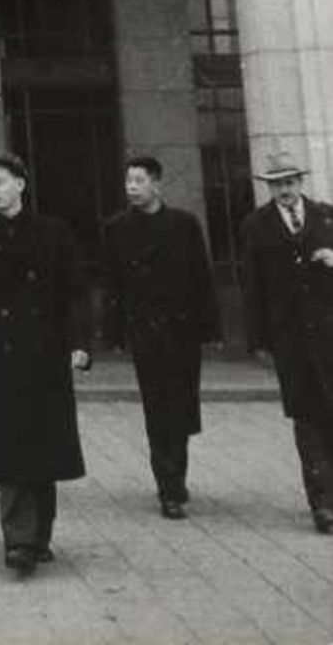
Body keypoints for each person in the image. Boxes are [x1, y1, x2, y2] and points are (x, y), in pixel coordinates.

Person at [0, 152, 91, 577]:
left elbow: (74, 292)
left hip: (45, 355)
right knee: (9, 448)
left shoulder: (54, 233)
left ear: (21, 185)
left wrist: (78, 344)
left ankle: (40, 534)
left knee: (43, 448)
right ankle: (18, 540)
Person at [102, 154, 221, 519]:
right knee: (157, 406)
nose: (132, 188)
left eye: (139, 181)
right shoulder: (116, 228)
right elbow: (113, 283)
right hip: (145, 330)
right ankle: (169, 487)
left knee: (182, 404)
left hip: (182, 329)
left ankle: (176, 475)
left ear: (157, 183)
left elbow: (202, 277)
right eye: (128, 182)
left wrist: (210, 329)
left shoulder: (184, 225)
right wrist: (115, 330)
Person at [240, 149, 333, 534]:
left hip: (330, 334)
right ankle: (322, 503)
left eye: (289, 182)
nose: (284, 190)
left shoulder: (327, 217)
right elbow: (252, 285)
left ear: (301, 182)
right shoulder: (256, 225)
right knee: (306, 416)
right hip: (290, 338)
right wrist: (259, 338)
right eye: (276, 184)